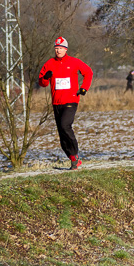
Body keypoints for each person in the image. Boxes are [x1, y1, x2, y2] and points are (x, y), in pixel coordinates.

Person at [38, 36, 94, 170]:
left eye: (61, 48)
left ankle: (75, 152)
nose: (58, 51)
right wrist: (45, 78)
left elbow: (88, 72)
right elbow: (42, 83)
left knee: (65, 125)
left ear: (66, 49)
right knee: (61, 133)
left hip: (71, 100)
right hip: (57, 102)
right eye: (56, 48)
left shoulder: (74, 62)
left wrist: (84, 87)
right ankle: (73, 159)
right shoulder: (49, 63)